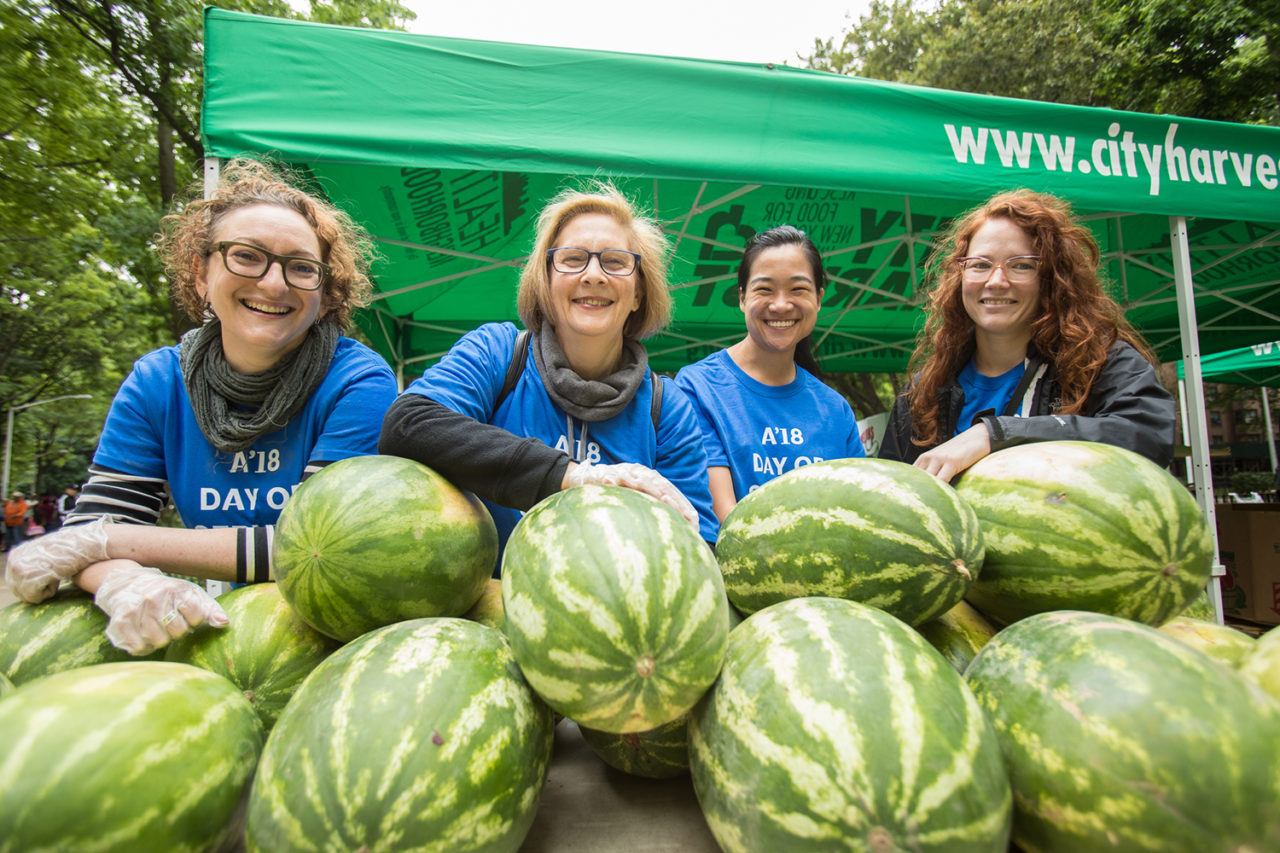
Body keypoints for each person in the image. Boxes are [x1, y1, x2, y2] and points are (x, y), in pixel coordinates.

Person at [5, 159, 398, 654]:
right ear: (200, 274)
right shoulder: (156, 383)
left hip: (349, 632)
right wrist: (123, 580)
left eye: (302, 267)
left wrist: (108, 543)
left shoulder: (358, 381)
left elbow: (318, 550)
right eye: (246, 256)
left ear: (324, 293)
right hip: (238, 631)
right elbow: (95, 526)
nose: (274, 284)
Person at [379, 182, 717, 562]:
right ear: (546, 282)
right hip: (488, 593)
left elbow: (698, 546)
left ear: (638, 293)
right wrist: (572, 476)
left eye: (615, 262)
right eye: (572, 259)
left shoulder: (666, 407)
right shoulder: (497, 353)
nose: (593, 275)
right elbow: (408, 424)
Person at [879, 189, 1175, 480]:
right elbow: (892, 489)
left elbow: (1148, 434)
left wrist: (995, 434)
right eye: (980, 265)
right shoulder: (922, 393)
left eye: (1021, 265)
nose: (996, 281)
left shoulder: (1100, 361)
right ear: (960, 277)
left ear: (1052, 278)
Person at [674, 225, 866, 521]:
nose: (780, 305)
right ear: (742, 298)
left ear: (818, 298)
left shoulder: (836, 410)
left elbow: (857, 513)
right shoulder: (697, 388)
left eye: (798, 289)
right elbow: (726, 520)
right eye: (764, 289)